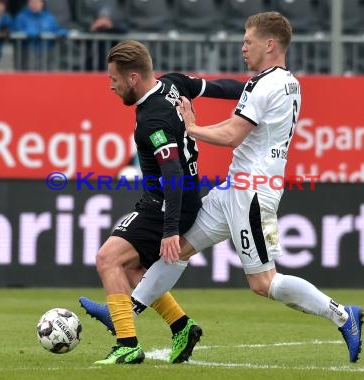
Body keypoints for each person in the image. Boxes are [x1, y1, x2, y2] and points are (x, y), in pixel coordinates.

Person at [82, 12, 364, 364]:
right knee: (177, 250)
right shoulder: (279, 82)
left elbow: (232, 135)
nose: (243, 47)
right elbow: (226, 89)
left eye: (248, 41)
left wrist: (192, 127)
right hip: (234, 188)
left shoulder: (268, 85)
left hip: (252, 192)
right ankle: (126, 315)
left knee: (263, 283)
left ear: (270, 44)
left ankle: (342, 315)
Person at [80, 40, 244, 365]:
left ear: (133, 78)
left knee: (108, 259)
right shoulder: (174, 83)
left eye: (114, 79)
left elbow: (171, 171)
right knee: (133, 269)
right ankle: (182, 326)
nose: (110, 85)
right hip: (171, 202)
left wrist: (170, 229)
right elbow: (219, 87)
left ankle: (127, 343)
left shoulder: (152, 121)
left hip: (167, 205)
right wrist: (253, 90)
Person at [13, 0, 68, 71]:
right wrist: (28, 33)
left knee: (47, 75)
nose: (34, 5)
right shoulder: (21, 17)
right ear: (28, 4)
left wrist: (62, 32)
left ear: (42, 4)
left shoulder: (49, 17)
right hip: (28, 52)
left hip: (47, 52)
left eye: (37, 2)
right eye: (32, 2)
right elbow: (16, 30)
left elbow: (56, 29)